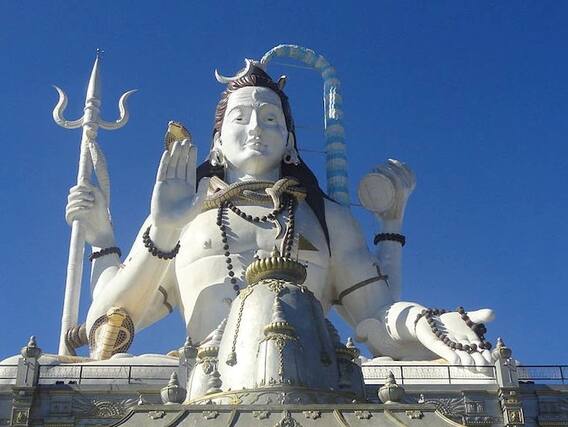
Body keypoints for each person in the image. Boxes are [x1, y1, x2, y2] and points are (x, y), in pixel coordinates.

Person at [66, 62, 494, 365]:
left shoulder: (328, 219)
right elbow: (108, 326)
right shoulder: (183, 217)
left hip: (315, 385)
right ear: (217, 142)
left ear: (290, 141)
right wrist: (160, 231)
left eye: (270, 118)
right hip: (201, 379)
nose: (256, 128)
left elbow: (377, 318)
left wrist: (426, 323)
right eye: (241, 117)